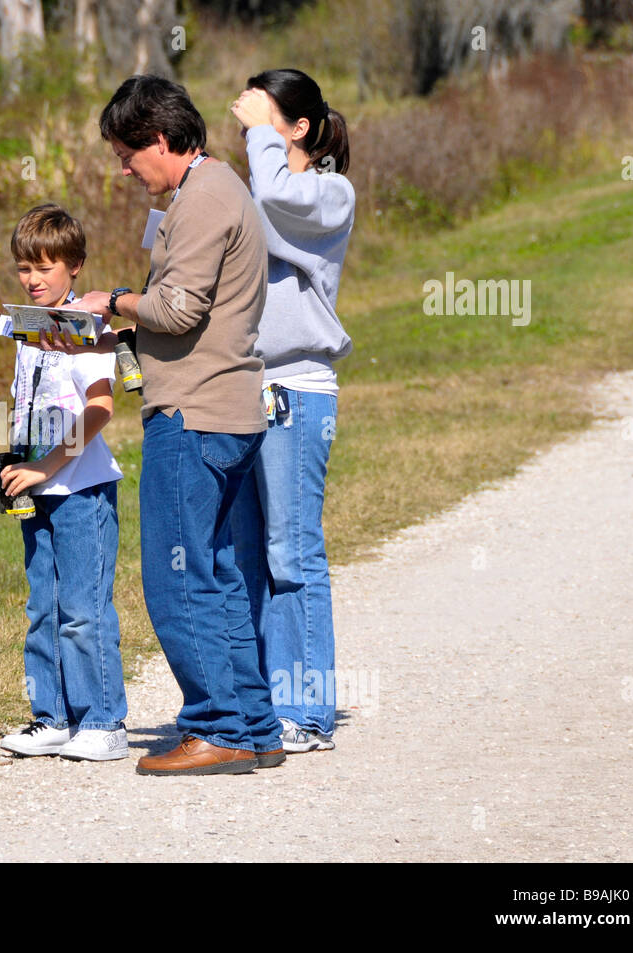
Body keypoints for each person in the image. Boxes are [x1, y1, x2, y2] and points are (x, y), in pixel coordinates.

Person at [61, 75, 285, 776]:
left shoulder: (201, 200)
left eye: (129, 155)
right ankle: (252, 723)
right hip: (226, 408)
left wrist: (115, 299)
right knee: (218, 574)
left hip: (193, 413)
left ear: (160, 139)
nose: (125, 170)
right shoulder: (220, 189)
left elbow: (180, 308)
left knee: (177, 573)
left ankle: (215, 725)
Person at [228, 69, 355, 752]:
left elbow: (275, 199)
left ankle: (306, 712)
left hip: (299, 390)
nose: (248, 123)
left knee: (292, 551)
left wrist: (254, 136)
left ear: (299, 128)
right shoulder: (263, 190)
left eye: (265, 116)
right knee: (249, 554)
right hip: (243, 387)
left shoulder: (329, 194)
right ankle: (261, 705)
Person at [0, 204, 129, 761]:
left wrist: (49, 466)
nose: (33, 279)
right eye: (24, 268)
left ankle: (104, 720)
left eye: (46, 267)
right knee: (43, 608)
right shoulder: (25, 330)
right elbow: (31, 405)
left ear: (76, 268)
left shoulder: (88, 330)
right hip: (36, 487)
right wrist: (12, 461)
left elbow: (99, 408)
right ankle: (53, 716)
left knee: (83, 608)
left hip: (82, 490)